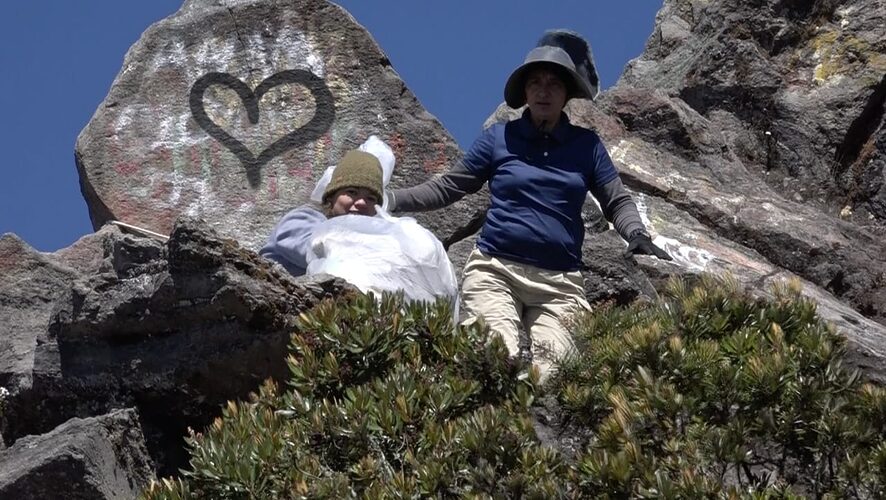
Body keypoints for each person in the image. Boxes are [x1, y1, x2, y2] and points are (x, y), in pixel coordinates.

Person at [388, 30, 672, 379]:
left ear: (567, 93)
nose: (543, 90)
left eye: (554, 83)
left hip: (561, 284)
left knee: (555, 379)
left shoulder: (587, 146)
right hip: (495, 270)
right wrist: (389, 199)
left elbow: (616, 199)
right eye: (535, 82)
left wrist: (637, 234)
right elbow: (449, 187)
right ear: (524, 92)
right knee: (494, 364)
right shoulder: (499, 139)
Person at [260, 148, 383, 276]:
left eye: (371, 198)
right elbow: (315, 249)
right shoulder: (300, 219)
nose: (362, 203)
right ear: (331, 196)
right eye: (352, 192)